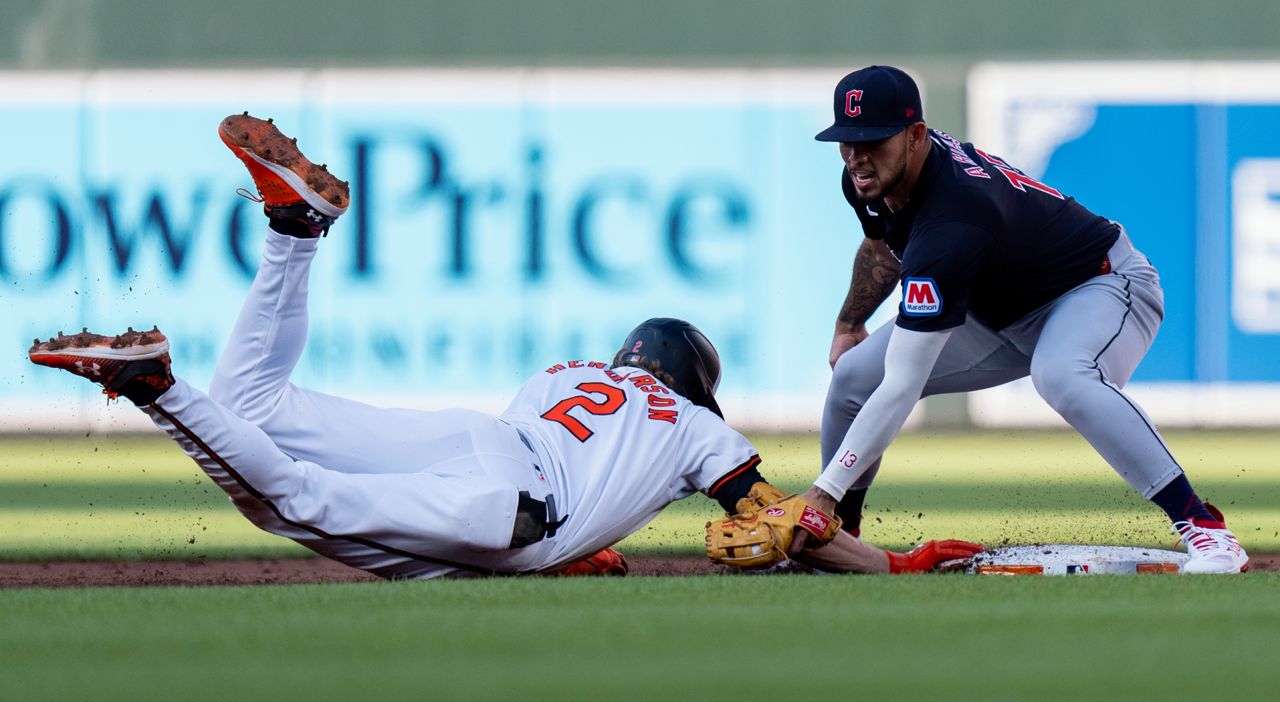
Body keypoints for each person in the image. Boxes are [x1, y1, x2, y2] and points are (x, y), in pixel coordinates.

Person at [28, 113, 981, 579]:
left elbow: (594, 474)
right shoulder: (697, 429)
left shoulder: (567, 372)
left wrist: (588, 550)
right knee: (292, 503)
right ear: (697, 383)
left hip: (483, 441)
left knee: (260, 408)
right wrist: (879, 560)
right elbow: (785, 527)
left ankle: (294, 233)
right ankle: (157, 386)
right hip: (515, 505)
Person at [798, 65, 1248, 573]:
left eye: (873, 140)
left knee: (1062, 374)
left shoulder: (954, 219)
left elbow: (904, 384)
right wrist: (848, 324)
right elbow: (883, 245)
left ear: (916, 135)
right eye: (846, 140)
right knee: (856, 375)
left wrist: (822, 491)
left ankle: (1206, 531)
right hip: (1000, 313)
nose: (857, 156)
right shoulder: (871, 177)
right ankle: (835, 545)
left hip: (1100, 285)